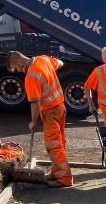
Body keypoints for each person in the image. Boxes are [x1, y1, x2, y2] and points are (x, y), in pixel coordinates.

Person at [6, 50, 73, 187]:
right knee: (59, 143)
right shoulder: (43, 59)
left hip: (50, 111)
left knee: (53, 145)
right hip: (60, 107)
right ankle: (56, 172)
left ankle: (64, 179)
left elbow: (35, 103)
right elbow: (60, 63)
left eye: (17, 68)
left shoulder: (31, 75)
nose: (19, 71)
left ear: (19, 62)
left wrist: (33, 122)